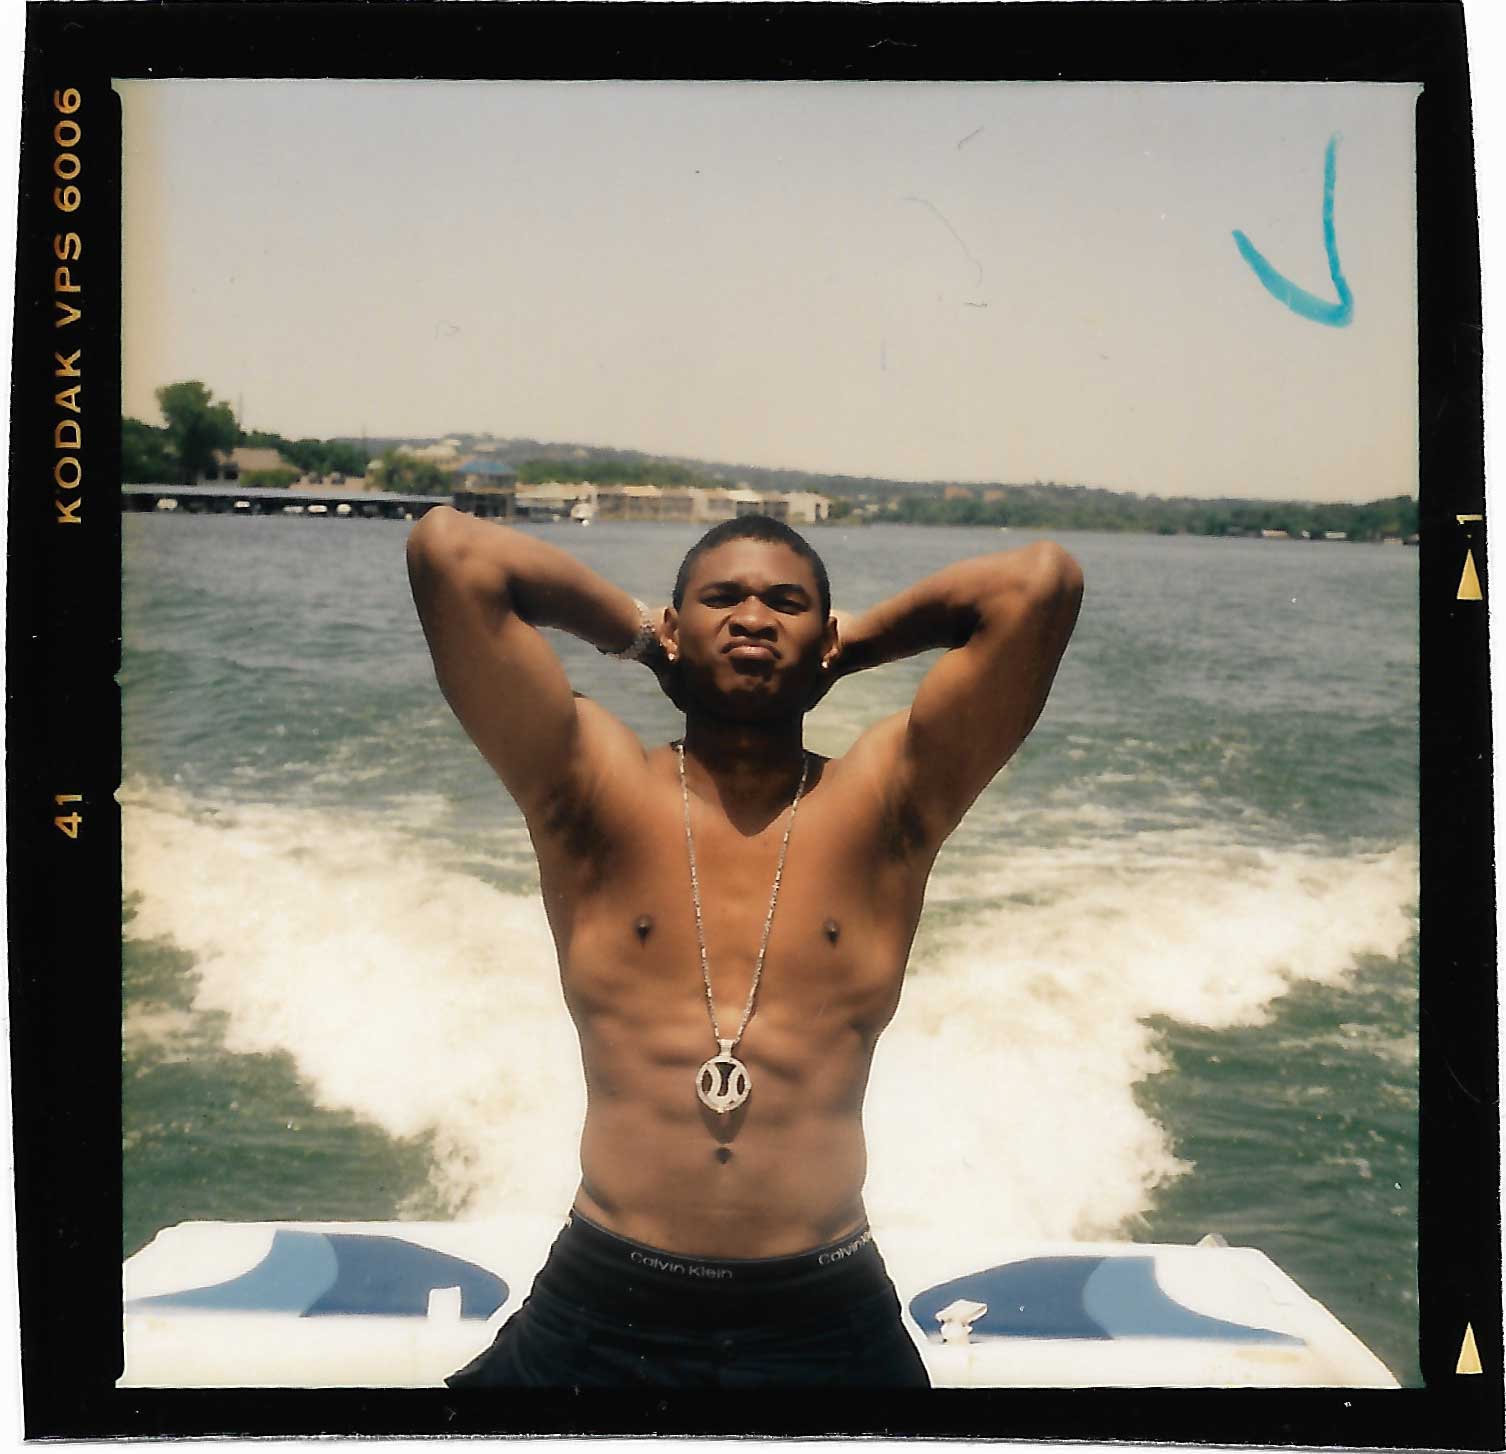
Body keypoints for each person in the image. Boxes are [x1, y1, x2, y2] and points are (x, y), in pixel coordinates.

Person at [406, 509, 1083, 1388]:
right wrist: (645, 638)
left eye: (787, 603)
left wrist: (848, 645)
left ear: (823, 635)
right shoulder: (590, 787)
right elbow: (450, 553)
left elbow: (1040, 584)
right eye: (721, 599)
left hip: (823, 1312)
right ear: (681, 626)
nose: (754, 617)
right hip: (604, 1298)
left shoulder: (889, 805)